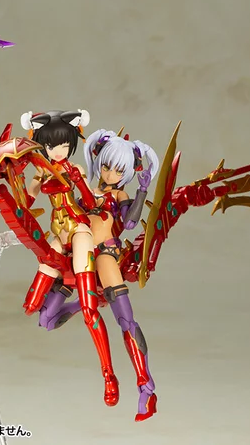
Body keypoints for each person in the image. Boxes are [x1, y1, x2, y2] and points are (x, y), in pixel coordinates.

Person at [38, 128, 160, 421]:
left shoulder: (119, 194)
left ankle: (145, 386)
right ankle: (84, 302)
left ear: (127, 172)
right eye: (106, 166)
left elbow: (130, 224)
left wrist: (142, 191)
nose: (110, 174)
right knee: (47, 319)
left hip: (104, 254)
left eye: (118, 170)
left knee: (125, 320)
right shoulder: (85, 188)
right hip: (77, 256)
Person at [21, 110, 120, 407]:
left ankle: (108, 375)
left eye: (65, 145)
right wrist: (22, 176)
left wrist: (78, 180)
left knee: (91, 311)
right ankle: (76, 299)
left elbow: (90, 203)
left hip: (78, 230)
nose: (59, 151)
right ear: (43, 145)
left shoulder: (74, 168)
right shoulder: (41, 170)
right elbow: (26, 201)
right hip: (58, 233)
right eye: (53, 145)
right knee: (32, 308)